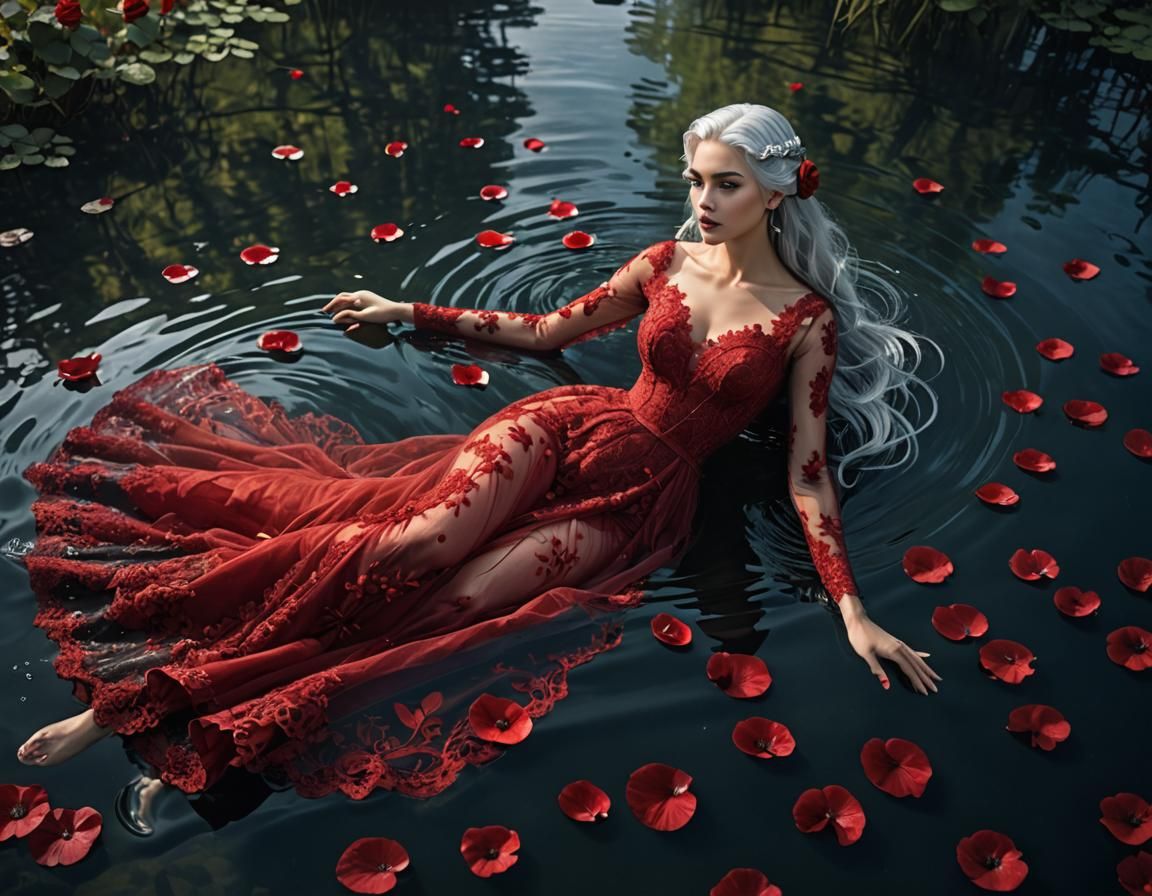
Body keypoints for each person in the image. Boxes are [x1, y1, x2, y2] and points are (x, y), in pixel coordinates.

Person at [15, 103, 941, 804]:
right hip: (569, 424)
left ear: (776, 191)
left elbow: (807, 472)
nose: (701, 200)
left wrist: (850, 610)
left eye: (725, 184)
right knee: (415, 544)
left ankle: (219, 717)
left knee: (456, 608)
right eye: (696, 178)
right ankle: (121, 707)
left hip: (641, 496)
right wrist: (406, 312)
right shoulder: (665, 263)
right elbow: (542, 333)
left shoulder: (804, 321)